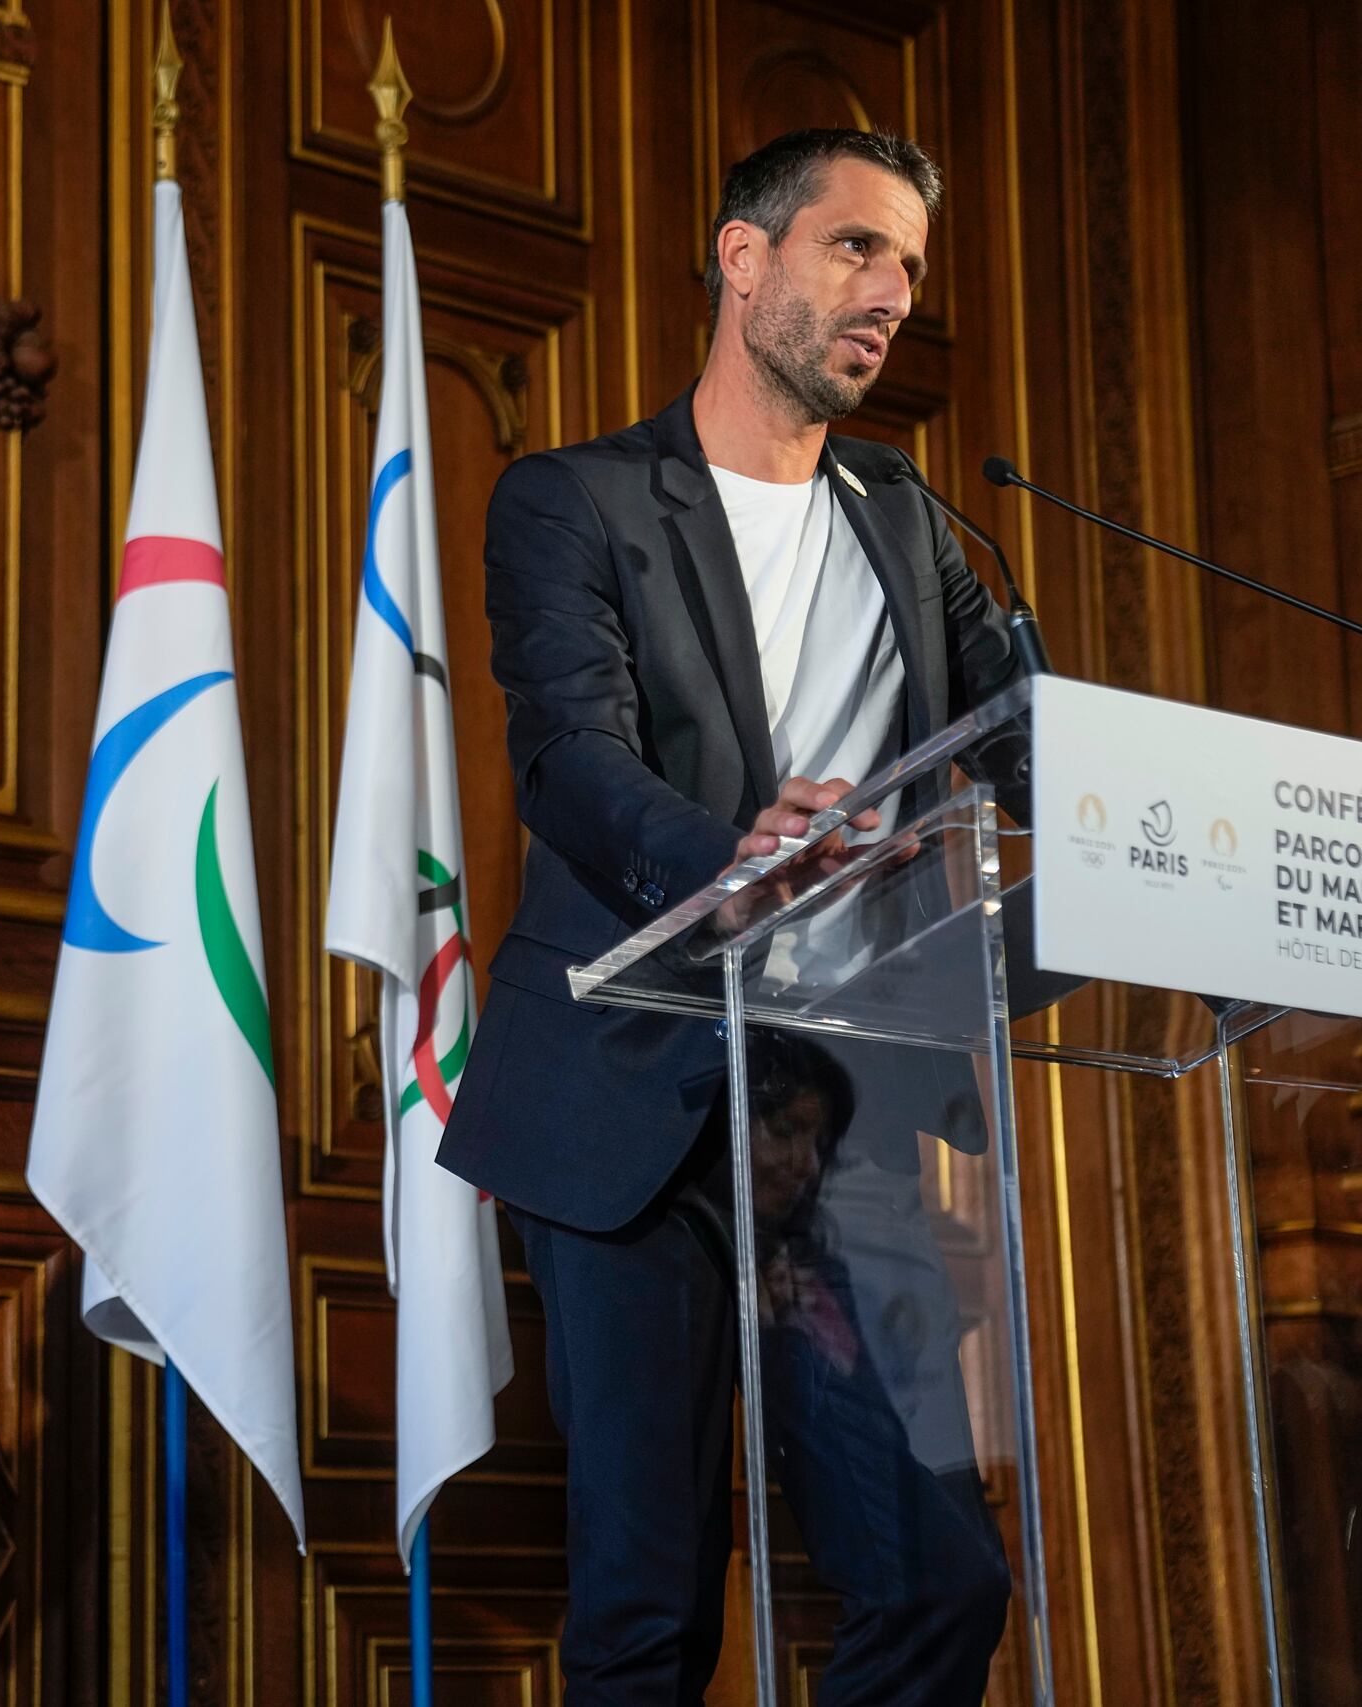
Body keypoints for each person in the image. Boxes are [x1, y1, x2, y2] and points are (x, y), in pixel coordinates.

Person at [438, 129, 1024, 1704]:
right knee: (650, 1603)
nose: (895, 293)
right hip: (637, 1096)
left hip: (839, 1112)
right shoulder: (576, 501)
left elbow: (1022, 733)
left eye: (909, 266)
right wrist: (729, 861)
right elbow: (569, 755)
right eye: (858, 249)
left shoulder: (903, 518)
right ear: (743, 257)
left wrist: (1183, 807)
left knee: (941, 1580)